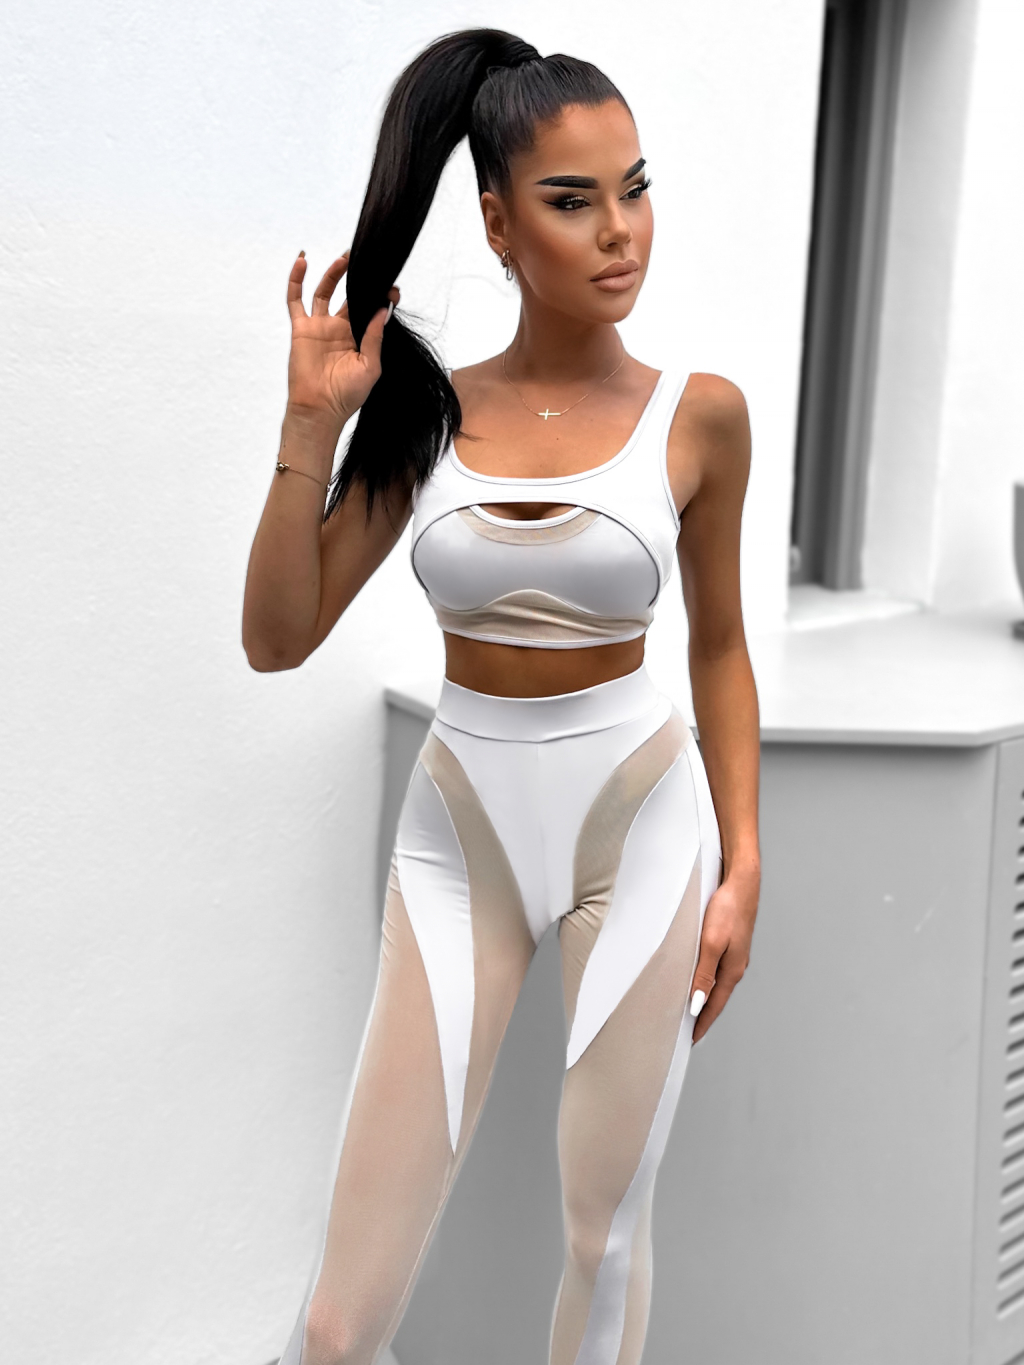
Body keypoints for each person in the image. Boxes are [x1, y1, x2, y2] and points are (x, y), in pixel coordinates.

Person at [242, 28, 760, 1365]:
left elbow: (718, 647)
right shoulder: (426, 419)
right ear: (496, 222)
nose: (619, 232)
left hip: (640, 829)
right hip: (458, 832)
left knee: (604, 1242)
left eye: (634, 190)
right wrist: (310, 428)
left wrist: (744, 860)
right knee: (337, 1325)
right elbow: (278, 638)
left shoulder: (700, 418)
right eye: (573, 201)